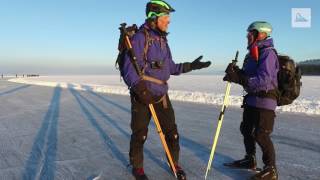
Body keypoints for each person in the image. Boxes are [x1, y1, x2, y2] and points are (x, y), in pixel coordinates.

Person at [121, 1, 211, 179]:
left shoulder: (162, 40)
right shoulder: (140, 38)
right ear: (154, 18)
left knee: (172, 133)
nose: (168, 21)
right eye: (165, 17)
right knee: (140, 134)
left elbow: (170, 67)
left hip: (161, 96)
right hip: (142, 96)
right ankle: (137, 167)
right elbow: (128, 68)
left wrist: (191, 66)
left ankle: (173, 162)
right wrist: (141, 90)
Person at [223, 21, 279, 180]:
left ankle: (271, 169)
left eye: (251, 33)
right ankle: (250, 159)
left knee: (261, 134)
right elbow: (247, 76)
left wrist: (240, 79)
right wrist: (235, 73)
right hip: (252, 100)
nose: (248, 36)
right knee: (246, 129)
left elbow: (264, 79)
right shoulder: (252, 54)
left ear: (260, 34)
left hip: (265, 100)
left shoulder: (268, 53)